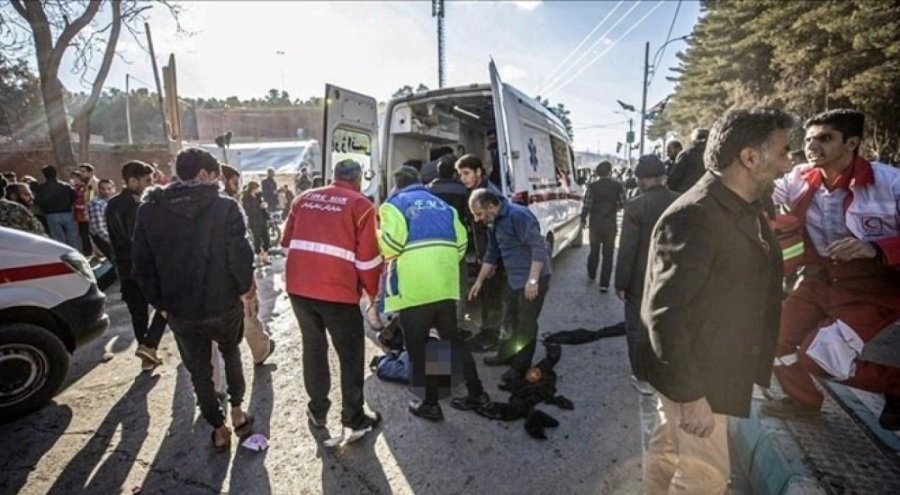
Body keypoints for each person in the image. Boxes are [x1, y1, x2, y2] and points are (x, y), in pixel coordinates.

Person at [641, 109, 793, 494]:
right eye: (783, 152)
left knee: (670, 450)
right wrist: (691, 395)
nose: (789, 163)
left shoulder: (742, 206)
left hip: (708, 370)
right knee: (703, 480)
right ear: (750, 157)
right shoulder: (697, 214)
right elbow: (665, 313)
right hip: (699, 377)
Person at [763, 109, 900, 430]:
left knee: (822, 357)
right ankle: (803, 401)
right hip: (820, 279)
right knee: (771, 336)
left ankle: (896, 386)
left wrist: (877, 248)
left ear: (851, 142)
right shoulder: (798, 178)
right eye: (809, 139)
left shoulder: (891, 182)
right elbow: (760, 190)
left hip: (875, 288)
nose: (812, 146)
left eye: (825, 138)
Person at [132, 148, 255, 452]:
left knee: (198, 370)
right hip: (222, 303)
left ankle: (218, 427)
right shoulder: (225, 208)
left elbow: (141, 264)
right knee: (231, 353)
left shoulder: (149, 209)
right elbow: (240, 255)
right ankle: (238, 412)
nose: (219, 182)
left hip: (178, 308)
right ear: (203, 174)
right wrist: (246, 291)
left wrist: (160, 303)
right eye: (216, 176)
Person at [380, 166, 493, 422]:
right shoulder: (443, 206)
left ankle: (430, 404)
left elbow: (391, 246)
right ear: (421, 182)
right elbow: (461, 245)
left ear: (397, 185)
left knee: (417, 349)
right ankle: (478, 393)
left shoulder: (393, 205)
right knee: (454, 341)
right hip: (444, 286)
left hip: (415, 289)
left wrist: (378, 237)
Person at [281, 158, 382, 442]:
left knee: (313, 349)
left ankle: (318, 410)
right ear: (359, 178)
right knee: (350, 355)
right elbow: (367, 260)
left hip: (299, 289)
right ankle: (353, 417)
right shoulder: (361, 205)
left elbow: (287, 243)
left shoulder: (302, 199)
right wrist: (372, 293)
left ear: (333, 176)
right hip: (337, 292)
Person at [468, 187, 552, 385]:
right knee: (509, 320)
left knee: (525, 324)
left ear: (491, 206)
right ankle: (505, 354)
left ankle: (520, 367)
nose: (478, 219)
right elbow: (492, 252)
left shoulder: (518, 216)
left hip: (533, 278)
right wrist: (479, 281)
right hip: (514, 279)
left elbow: (538, 248)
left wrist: (533, 281)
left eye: (479, 214)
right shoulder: (494, 222)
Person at [614, 155, 680, 395]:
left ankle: (641, 376)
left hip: (641, 280)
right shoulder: (680, 201)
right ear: (663, 177)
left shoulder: (636, 205)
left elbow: (628, 249)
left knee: (637, 327)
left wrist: (620, 282)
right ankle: (663, 371)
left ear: (641, 180)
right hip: (673, 276)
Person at [106, 161, 168, 372]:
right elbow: (139, 239)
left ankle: (147, 356)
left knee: (138, 313)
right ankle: (150, 344)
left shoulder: (112, 203)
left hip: (124, 267)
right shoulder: (136, 205)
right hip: (142, 266)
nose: (150, 184)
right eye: (147, 181)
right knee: (167, 303)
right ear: (132, 181)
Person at [220, 164, 276, 366]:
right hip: (230, 275)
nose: (238, 185)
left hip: (208, 279)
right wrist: (248, 283)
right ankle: (260, 351)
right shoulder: (226, 204)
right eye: (235, 180)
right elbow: (238, 248)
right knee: (248, 314)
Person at [455, 154, 506, 353]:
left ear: (478, 172)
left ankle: (492, 336)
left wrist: (491, 261)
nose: (463, 178)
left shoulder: (488, 195)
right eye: (460, 174)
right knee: (487, 295)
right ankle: (488, 332)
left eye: (467, 173)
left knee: (493, 295)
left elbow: (495, 232)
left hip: (492, 256)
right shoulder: (476, 191)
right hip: (484, 253)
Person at [427, 154, 472, 334]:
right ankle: (458, 326)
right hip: (455, 244)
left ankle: (435, 325)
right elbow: (470, 218)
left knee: (436, 285)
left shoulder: (428, 190)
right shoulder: (463, 191)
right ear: (455, 173)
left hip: (432, 245)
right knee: (459, 286)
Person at [581, 161, 624, 292]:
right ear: (610, 172)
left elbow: (587, 204)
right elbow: (623, 203)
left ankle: (591, 274)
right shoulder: (618, 186)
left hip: (595, 224)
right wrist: (614, 209)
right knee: (608, 254)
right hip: (610, 223)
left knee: (594, 250)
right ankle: (604, 284)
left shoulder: (592, 186)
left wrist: (583, 218)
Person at [34, 165, 77, 248]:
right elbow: (74, 197)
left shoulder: (41, 188)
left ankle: (61, 255)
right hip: (67, 213)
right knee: (71, 236)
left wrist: (44, 208)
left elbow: (37, 201)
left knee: (58, 238)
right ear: (56, 173)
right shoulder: (66, 186)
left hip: (51, 214)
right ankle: (73, 253)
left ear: (44, 175)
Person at [667, 128, 709, 193]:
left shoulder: (685, 154)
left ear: (693, 139)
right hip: (710, 195)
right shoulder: (715, 153)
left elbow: (674, 179)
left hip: (687, 195)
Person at [241, 181, 271, 267]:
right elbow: (247, 210)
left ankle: (265, 256)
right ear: (253, 189)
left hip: (262, 220)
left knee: (266, 239)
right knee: (257, 239)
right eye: (257, 188)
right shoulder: (246, 198)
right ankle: (258, 258)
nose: (258, 190)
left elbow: (262, 206)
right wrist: (258, 207)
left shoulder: (259, 197)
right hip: (254, 221)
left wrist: (265, 207)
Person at [86, 178, 116, 261]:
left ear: (114, 189)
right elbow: (99, 228)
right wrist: (115, 241)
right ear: (99, 190)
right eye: (103, 189)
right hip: (104, 238)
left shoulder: (112, 201)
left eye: (109, 188)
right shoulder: (96, 203)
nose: (106, 191)